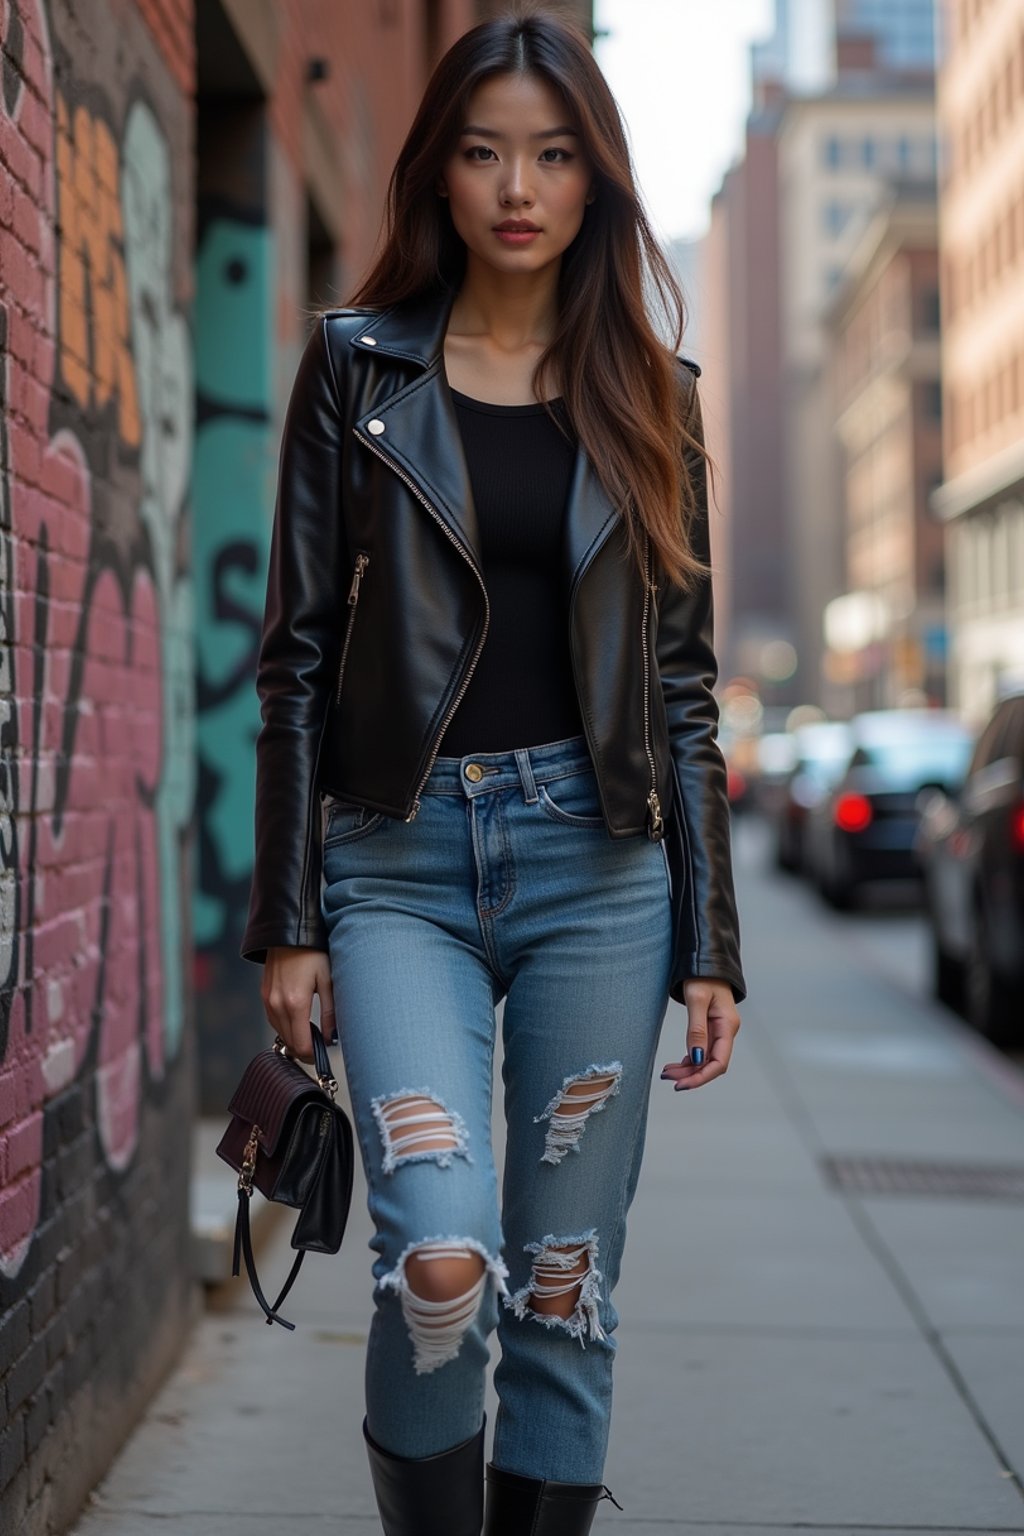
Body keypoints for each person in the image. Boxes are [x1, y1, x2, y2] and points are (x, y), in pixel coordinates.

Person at [241, 8, 746, 1534]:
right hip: (398, 865)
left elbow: (683, 688)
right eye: (481, 152)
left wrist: (710, 941)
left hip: (599, 869)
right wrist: (292, 917)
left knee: (561, 1287)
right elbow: (301, 656)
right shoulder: (355, 372)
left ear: (594, 179)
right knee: (443, 1251)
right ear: (439, 177)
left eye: (551, 153)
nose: (517, 185)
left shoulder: (659, 398)